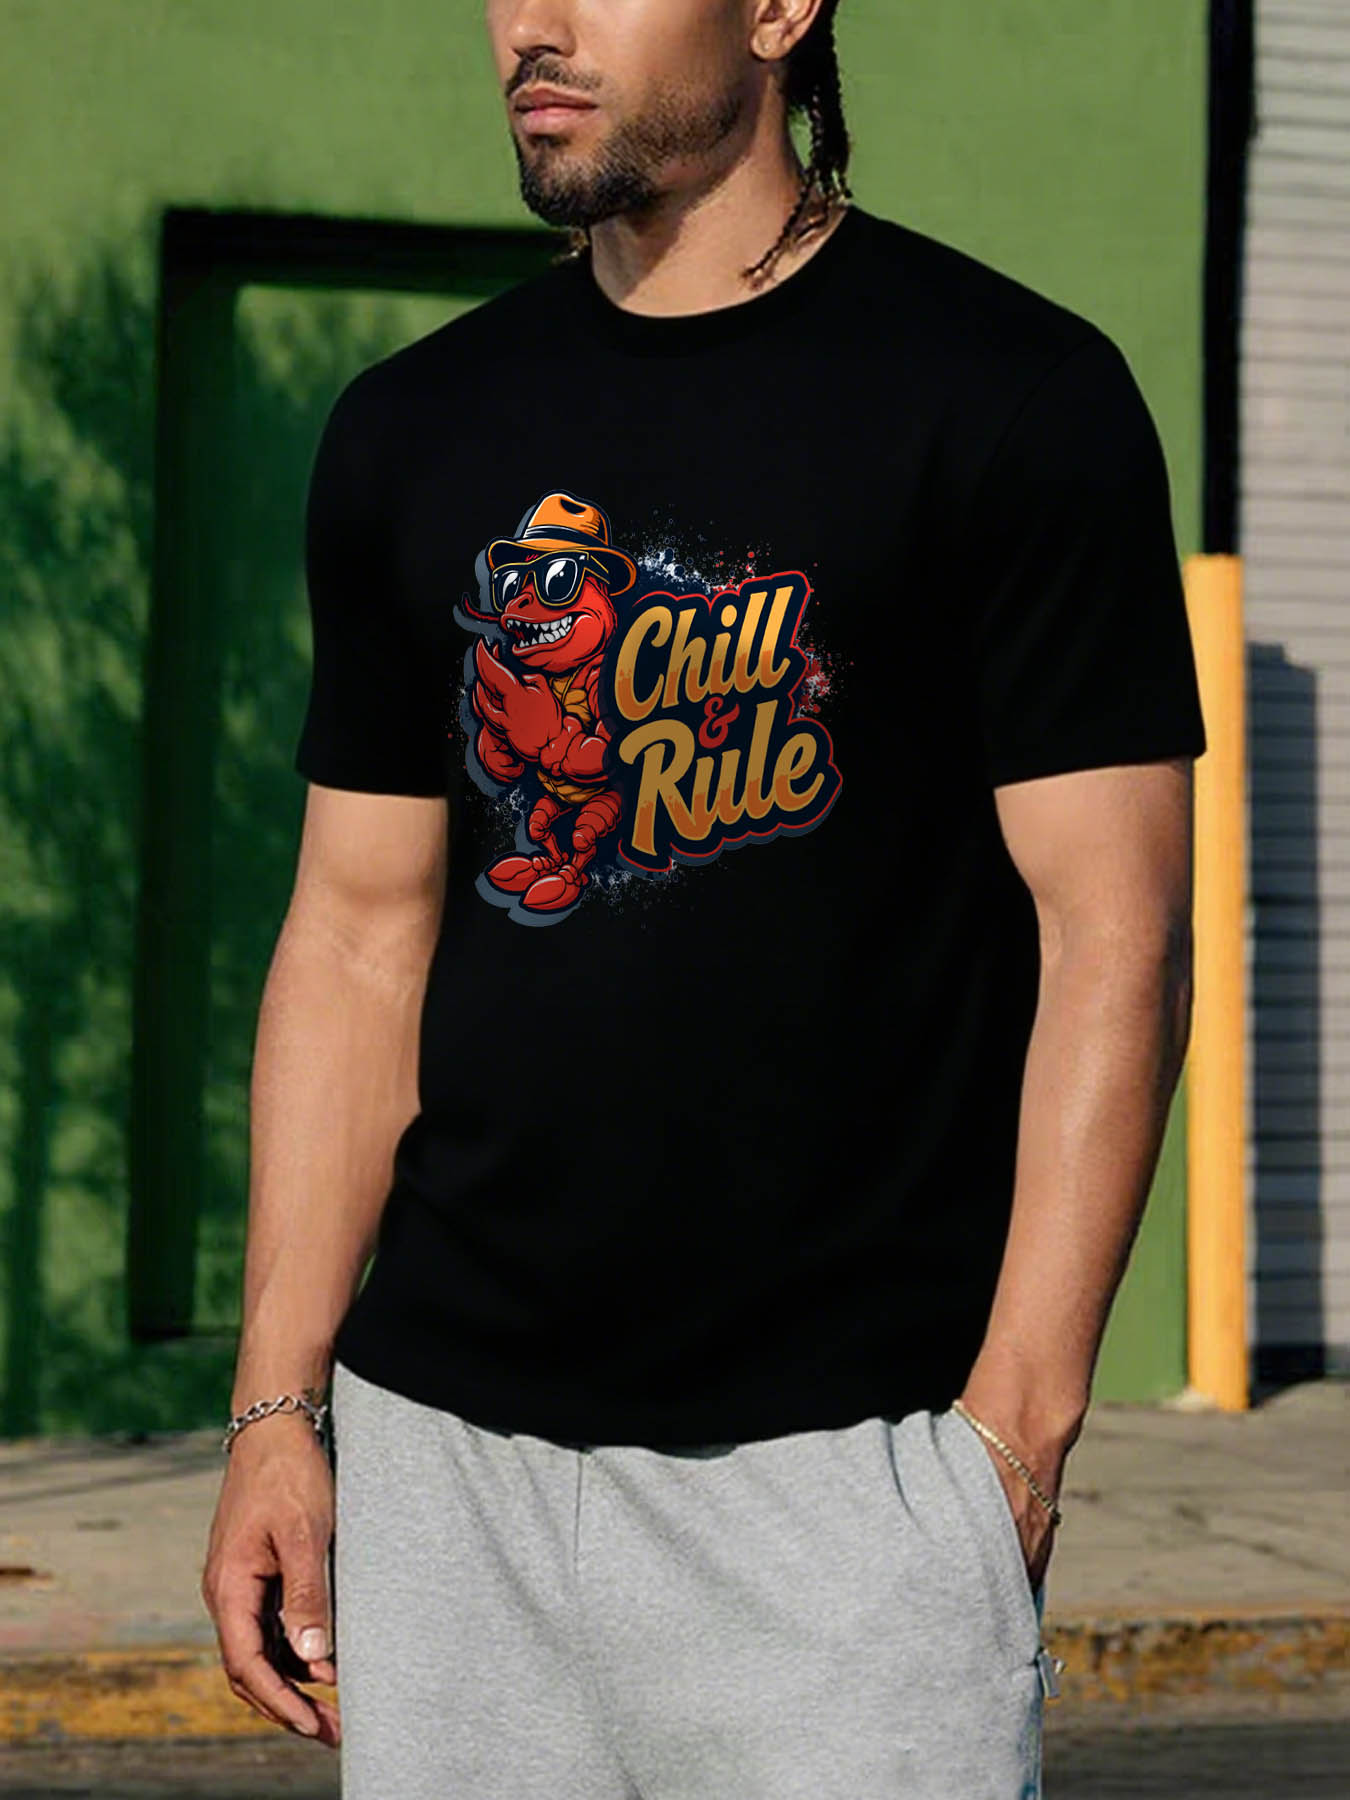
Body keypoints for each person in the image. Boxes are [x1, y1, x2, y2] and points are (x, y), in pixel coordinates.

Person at [200, 2, 1207, 1794]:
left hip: (847, 1495)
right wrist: (278, 1408)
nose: (530, 25)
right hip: (444, 1478)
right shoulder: (411, 427)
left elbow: (1113, 940)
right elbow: (355, 938)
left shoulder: (1009, 394)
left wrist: (1012, 1443)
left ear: (777, 8)